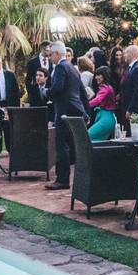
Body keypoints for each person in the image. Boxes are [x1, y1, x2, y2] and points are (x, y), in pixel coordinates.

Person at [45, 41, 88, 190]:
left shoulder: (61, 67)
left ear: (57, 54)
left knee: (61, 145)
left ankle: (62, 179)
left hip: (64, 111)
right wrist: (85, 112)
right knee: (72, 145)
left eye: (51, 55)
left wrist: (46, 92)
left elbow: (57, 88)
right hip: (75, 110)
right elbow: (82, 92)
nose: (50, 58)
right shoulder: (73, 68)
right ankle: (70, 178)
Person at [87, 66, 117, 141]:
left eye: (98, 75)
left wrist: (85, 105)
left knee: (86, 137)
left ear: (104, 75)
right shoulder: (107, 87)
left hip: (106, 118)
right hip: (105, 117)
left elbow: (97, 100)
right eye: (96, 75)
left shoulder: (105, 88)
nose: (96, 77)